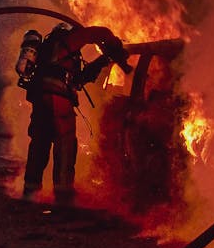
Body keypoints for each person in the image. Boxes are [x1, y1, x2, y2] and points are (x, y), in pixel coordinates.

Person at [15, 22, 130, 206]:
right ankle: (63, 198)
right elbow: (97, 33)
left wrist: (104, 60)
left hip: (41, 101)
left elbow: (77, 81)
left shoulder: (51, 52)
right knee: (65, 146)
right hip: (58, 102)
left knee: (39, 145)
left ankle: (30, 193)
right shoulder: (66, 41)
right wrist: (114, 42)